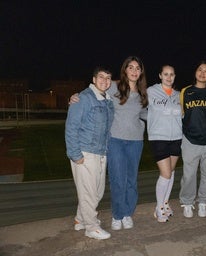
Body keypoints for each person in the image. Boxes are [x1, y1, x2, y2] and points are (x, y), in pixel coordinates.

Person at [69, 56, 148, 230]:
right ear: (125, 70)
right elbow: (94, 90)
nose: (134, 71)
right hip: (115, 141)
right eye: (131, 67)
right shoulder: (113, 86)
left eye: (137, 68)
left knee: (131, 180)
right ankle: (117, 215)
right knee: (117, 179)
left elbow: (146, 115)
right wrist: (76, 97)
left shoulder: (143, 93)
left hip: (135, 142)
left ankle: (128, 213)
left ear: (141, 72)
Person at [65, 67, 114, 240]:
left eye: (108, 78)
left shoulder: (107, 100)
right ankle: (91, 227)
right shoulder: (84, 98)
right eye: (101, 77)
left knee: (96, 192)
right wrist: (75, 154)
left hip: (101, 152)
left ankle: (80, 220)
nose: (105, 81)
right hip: (85, 152)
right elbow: (71, 127)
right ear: (94, 79)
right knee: (89, 192)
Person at [179, 60, 206, 218]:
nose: (203, 73)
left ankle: (203, 201)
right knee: (189, 174)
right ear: (195, 72)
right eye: (200, 69)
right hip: (190, 139)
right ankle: (187, 202)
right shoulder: (185, 91)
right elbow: (181, 114)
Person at [147, 65, 182, 222]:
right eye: (166, 74)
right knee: (166, 174)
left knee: (171, 172)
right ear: (160, 75)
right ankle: (159, 207)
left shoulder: (178, 95)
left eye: (172, 74)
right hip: (159, 137)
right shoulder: (150, 91)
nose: (169, 77)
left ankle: (166, 203)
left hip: (176, 137)